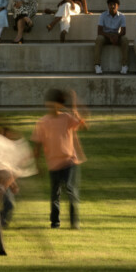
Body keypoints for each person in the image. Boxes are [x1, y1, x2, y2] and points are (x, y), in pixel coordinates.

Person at [30, 88, 86, 229]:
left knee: (70, 190)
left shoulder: (67, 118)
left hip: (69, 161)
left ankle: (74, 221)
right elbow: (37, 145)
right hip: (53, 163)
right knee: (55, 193)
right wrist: (37, 165)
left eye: (56, 104)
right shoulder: (42, 122)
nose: (53, 107)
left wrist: (75, 110)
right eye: (51, 104)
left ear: (60, 105)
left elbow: (83, 127)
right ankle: (55, 222)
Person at [0, 123, 34, 256]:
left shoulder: (8, 149)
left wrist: (11, 184)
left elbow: (10, 171)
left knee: (7, 204)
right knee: (2, 205)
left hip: (3, 181)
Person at [91, 0, 131, 75]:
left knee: (125, 39)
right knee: (99, 39)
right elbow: (99, 31)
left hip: (116, 35)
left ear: (118, 6)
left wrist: (117, 36)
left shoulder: (122, 16)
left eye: (114, 4)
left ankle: (124, 65)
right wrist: (110, 36)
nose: (112, 6)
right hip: (106, 36)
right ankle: (97, 65)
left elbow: (123, 31)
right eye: (110, 4)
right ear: (108, 5)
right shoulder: (103, 15)